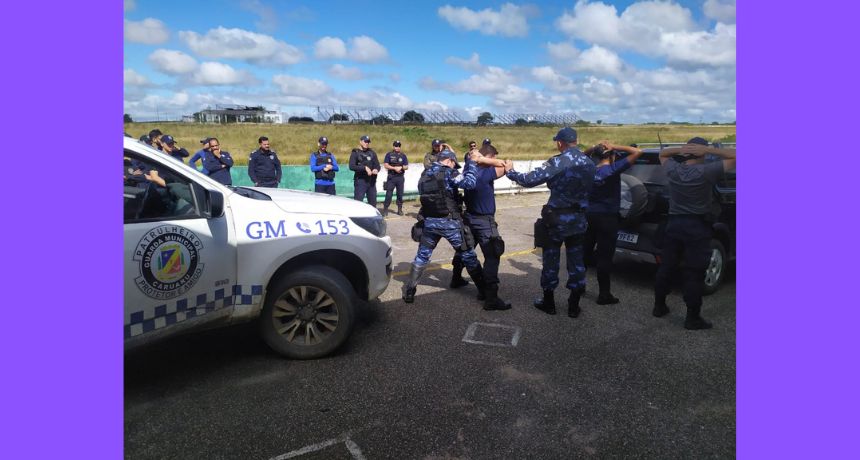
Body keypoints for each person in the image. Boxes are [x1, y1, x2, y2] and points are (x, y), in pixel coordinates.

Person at [504, 127, 596, 318]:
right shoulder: (589, 162)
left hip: (557, 221)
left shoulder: (558, 161)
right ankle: (573, 305)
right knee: (577, 263)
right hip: (578, 219)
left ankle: (549, 303)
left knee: (551, 261)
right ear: (576, 141)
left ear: (560, 143)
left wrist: (510, 171)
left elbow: (529, 180)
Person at [652, 137, 736, 330]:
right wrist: (709, 150)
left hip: (673, 224)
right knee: (694, 273)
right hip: (697, 227)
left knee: (666, 267)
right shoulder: (707, 171)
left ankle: (659, 306)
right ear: (701, 153)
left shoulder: (673, 170)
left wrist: (682, 149)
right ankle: (692, 318)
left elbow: (663, 153)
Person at [402, 149, 483, 304]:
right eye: (454, 164)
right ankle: (484, 291)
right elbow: (469, 183)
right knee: (467, 254)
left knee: (422, 256)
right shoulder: (449, 173)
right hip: (449, 222)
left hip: (429, 223)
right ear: (449, 161)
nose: (454, 167)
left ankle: (409, 291)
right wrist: (471, 164)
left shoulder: (424, 175)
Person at [582, 141, 644, 305]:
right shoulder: (612, 169)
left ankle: (578, 287)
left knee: (584, 254)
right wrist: (615, 146)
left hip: (589, 216)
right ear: (612, 155)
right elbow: (638, 151)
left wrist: (594, 147)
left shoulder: (588, 170)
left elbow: (581, 155)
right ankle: (604, 294)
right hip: (608, 218)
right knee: (604, 257)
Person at [457, 143, 512, 310]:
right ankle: (491, 297)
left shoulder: (468, 171)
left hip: (469, 218)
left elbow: (470, 161)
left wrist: (477, 159)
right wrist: (484, 160)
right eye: (493, 158)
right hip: (484, 221)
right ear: (488, 158)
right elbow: (508, 164)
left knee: (466, 251)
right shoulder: (487, 172)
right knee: (492, 256)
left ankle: (455, 277)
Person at [349, 135, 380, 206]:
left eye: (368, 142)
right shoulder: (355, 153)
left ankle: (372, 216)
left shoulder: (372, 153)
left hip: (371, 181)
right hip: (360, 181)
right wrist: (364, 168)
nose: (367, 143)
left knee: (373, 202)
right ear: (360, 142)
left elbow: (377, 165)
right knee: (358, 202)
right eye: (365, 141)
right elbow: (351, 166)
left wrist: (376, 169)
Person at [382, 140, 409, 216]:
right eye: (396, 146)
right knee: (389, 194)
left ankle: (399, 209)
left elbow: (406, 166)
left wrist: (401, 167)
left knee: (400, 194)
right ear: (393, 146)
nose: (397, 147)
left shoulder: (403, 155)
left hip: (400, 177)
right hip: (391, 177)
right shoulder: (389, 155)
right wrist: (394, 168)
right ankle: (385, 209)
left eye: (398, 146)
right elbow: (386, 165)